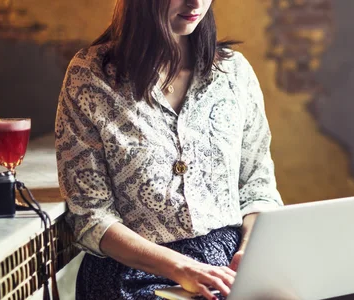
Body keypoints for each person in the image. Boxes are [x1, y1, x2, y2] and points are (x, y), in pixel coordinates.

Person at [55, 0, 283, 299]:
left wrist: (248, 253)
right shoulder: (91, 75)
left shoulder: (234, 73)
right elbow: (90, 216)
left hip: (227, 266)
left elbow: (257, 188)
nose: (196, 3)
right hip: (130, 273)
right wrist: (181, 268)